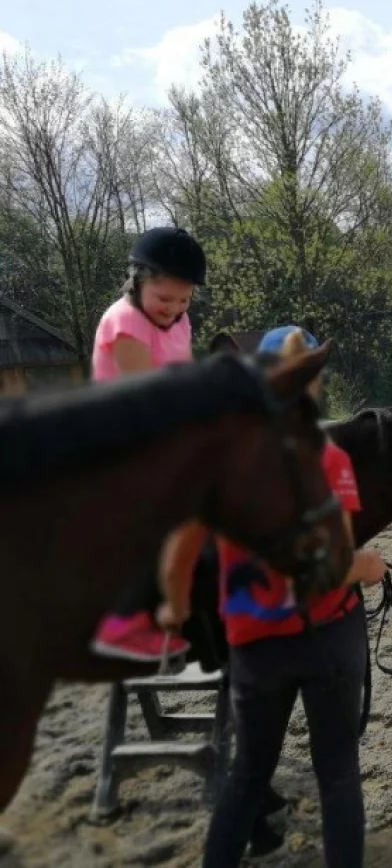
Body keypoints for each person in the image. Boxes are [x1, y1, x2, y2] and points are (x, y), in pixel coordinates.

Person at [156, 326, 387, 868]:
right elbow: (332, 567)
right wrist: (369, 567)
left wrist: (174, 606)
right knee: (336, 772)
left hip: (254, 645)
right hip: (325, 633)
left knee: (247, 775)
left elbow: (180, 546)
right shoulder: (327, 461)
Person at [90, 226, 207, 664]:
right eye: (165, 299)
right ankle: (119, 624)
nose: (174, 309)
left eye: (184, 300)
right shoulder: (124, 323)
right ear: (138, 282)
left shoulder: (181, 321)